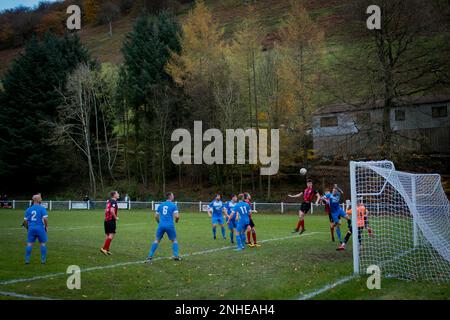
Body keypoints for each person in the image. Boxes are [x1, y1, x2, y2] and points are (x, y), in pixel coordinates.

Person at [145, 192, 181, 262]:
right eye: (173, 195)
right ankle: (176, 256)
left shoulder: (161, 205)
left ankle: (149, 256)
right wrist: (176, 220)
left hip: (161, 225)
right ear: (170, 196)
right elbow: (177, 216)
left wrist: (159, 223)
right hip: (170, 225)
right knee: (174, 240)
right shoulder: (173, 205)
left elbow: (156, 216)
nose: (173, 196)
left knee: (156, 240)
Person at [23, 194, 48, 264]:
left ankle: (27, 260)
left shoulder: (29, 209)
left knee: (29, 244)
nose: (41, 199)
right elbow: (45, 218)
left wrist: (27, 227)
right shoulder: (42, 208)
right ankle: (43, 261)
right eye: (40, 198)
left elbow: (25, 221)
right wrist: (46, 226)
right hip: (40, 228)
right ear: (37, 200)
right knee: (42, 244)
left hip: (31, 228)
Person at [100, 191, 119, 255]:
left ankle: (107, 250)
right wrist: (115, 217)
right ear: (114, 195)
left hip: (106, 220)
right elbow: (112, 210)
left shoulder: (108, 201)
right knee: (112, 235)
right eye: (117, 194)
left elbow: (105, 210)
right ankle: (104, 248)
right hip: (111, 220)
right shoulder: (114, 201)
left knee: (108, 235)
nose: (118, 195)